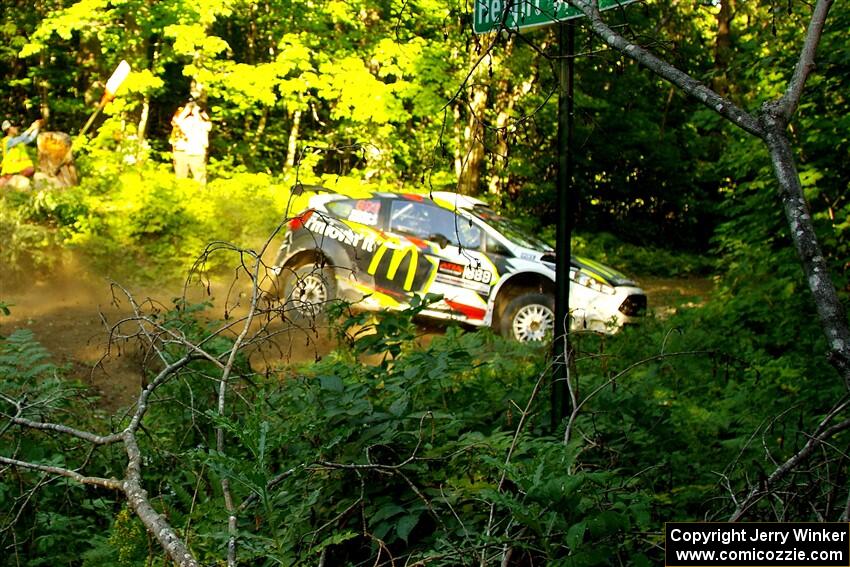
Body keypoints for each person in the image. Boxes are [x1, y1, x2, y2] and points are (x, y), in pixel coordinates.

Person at [170, 101, 211, 185]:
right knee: (180, 178)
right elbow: (176, 123)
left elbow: (208, 126)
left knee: (199, 179)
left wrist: (197, 113)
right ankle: (181, 195)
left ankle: (200, 195)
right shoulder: (184, 119)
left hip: (197, 152)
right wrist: (186, 111)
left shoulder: (203, 121)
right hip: (182, 151)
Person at [1, 119, 41, 186]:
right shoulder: (7, 141)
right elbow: (22, 137)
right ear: (8, 129)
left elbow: (30, 138)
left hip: (20, 170)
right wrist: (31, 128)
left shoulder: (18, 141)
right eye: (14, 127)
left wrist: (37, 127)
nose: (17, 128)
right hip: (9, 172)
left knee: (31, 170)